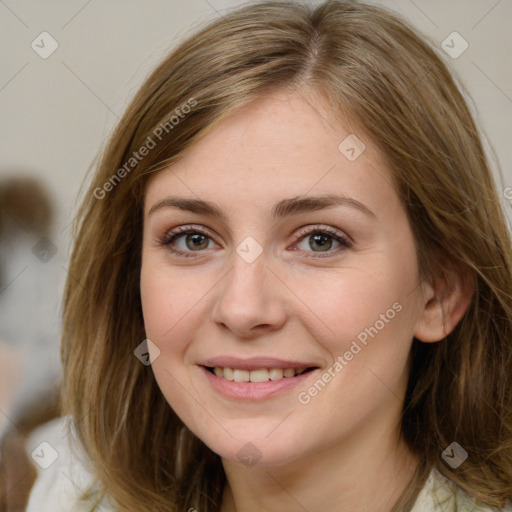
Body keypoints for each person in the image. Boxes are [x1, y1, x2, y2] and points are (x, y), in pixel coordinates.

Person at [26, 1, 512, 511]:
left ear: (440, 291)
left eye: (320, 240)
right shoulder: (66, 493)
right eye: (193, 239)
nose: (242, 308)